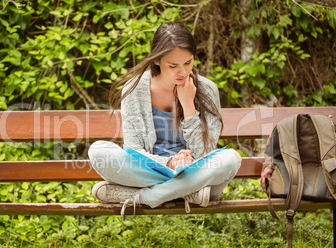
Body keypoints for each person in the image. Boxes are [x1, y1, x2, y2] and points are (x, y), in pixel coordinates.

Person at [88, 22, 241, 214]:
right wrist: (168, 163)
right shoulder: (134, 90)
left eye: (188, 62)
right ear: (157, 60)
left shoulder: (207, 89)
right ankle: (187, 192)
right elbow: (135, 150)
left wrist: (188, 106)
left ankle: (148, 197)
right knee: (99, 152)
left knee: (231, 159)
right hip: (155, 172)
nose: (183, 72)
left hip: (195, 171)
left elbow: (204, 153)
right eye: (173, 66)